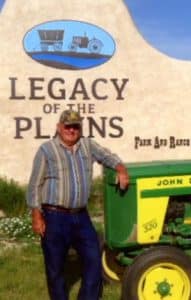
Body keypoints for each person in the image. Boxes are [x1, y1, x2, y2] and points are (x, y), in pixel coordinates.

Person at [27, 109, 129, 300]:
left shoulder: (87, 144)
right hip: (54, 216)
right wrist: (36, 215)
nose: (72, 130)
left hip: (81, 216)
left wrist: (121, 168)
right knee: (55, 267)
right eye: (68, 126)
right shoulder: (46, 150)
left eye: (76, 126)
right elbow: (34, 185)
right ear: (59, 127)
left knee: (93, 260)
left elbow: (107, 156)